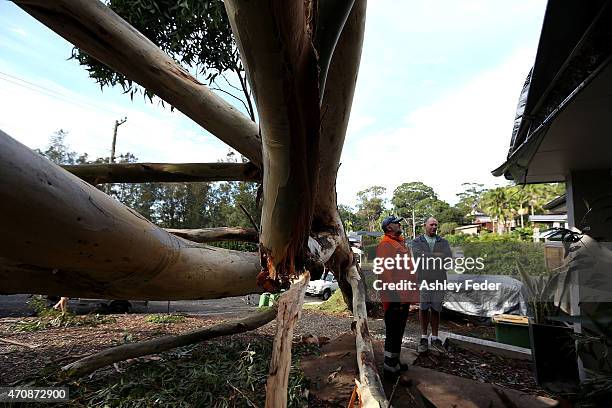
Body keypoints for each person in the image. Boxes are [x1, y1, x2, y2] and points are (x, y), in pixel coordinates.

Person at [375, 215, 418, 378]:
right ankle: (389, 368)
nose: (399, 224)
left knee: (399, 330)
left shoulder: (399, 243)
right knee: (393, 332)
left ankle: (395, 361)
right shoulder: (386, 245)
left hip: (404, 295)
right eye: (396, 222)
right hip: (395, 296)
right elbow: (384, 272)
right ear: (389, 228)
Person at [412, 217, 452, 354]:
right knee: (423, 308)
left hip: (439, 280)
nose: (434, 227)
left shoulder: (443, 242)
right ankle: (424, 337)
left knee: (436, 308)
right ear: (425, 226)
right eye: (432, 224)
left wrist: (428, 257)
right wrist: (437, 256)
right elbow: (418, 257)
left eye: (436, 224)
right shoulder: (417, 241)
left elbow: (447, 259)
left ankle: (435, 337)